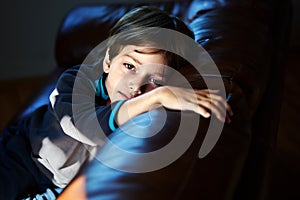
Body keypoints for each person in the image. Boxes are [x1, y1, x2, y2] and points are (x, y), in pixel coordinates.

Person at [0, 6, 233, 200]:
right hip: (24, 155)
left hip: (63, 183)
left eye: (154, 80)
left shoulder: (145, 113)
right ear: (109, 60)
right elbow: (86, 126)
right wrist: (158, 95)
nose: (135, 86)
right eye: (130, 66)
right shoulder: (77, 80)